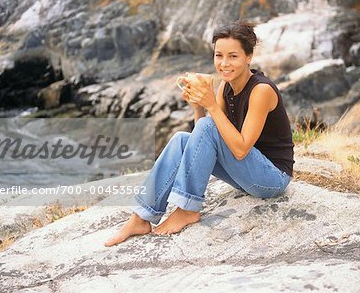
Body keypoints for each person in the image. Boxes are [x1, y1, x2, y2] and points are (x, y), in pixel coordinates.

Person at [104, 21, 294, 247]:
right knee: (181, 140)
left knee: (207, 125)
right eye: (218, 55)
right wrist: (198, 106)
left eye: (233, 56)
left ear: (248, 57)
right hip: (245, 174)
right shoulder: (226, 86)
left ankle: (187, 210)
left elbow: (241, 149)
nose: (224, 64)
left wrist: (211, 106)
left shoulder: (261, 90)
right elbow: (205, 141)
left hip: (271, 178)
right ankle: (142, 217)